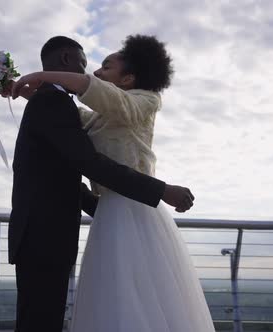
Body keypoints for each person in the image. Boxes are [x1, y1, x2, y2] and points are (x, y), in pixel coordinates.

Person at [12, 35, 216, 331]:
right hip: (111, 209)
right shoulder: (98, 115)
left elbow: (107, 101)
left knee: (140, 291)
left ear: (128, 78)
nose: (94, 72)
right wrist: (36, 92)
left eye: (105, 67)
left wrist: (42, 76)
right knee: (113, 291)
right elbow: (74, 120)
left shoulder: (146, 100)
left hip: (133, 204)